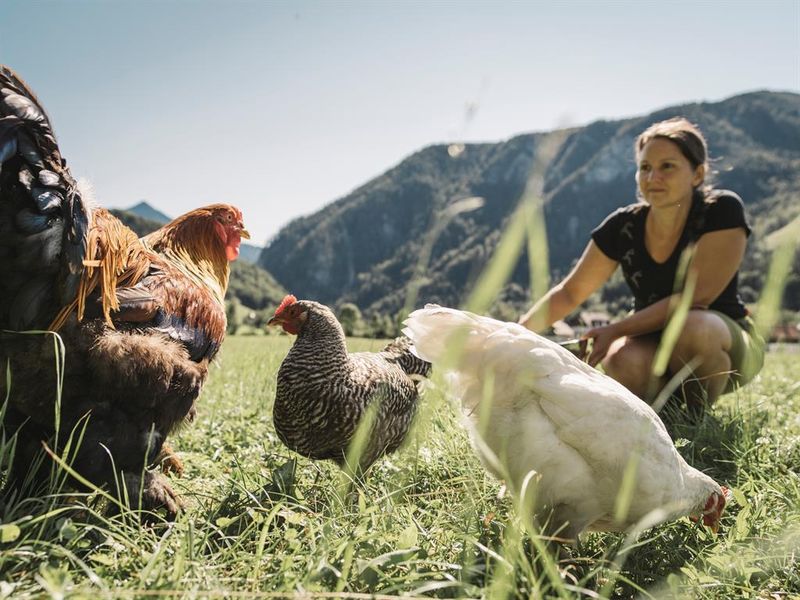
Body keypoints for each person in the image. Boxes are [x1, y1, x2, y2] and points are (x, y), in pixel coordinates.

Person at [519, 117, 765, 410]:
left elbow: (696, 297)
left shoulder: (722, 210)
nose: (652, 177)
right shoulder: (623, 227)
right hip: (652, 341)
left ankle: (698, 421)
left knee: (693, 326)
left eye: (667, 167)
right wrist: (514, 334)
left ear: (697, 174)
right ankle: (666, 416)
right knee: (620, 359)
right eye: (645, 167)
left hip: (720, 338)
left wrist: (615, 329)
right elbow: (570, 293)